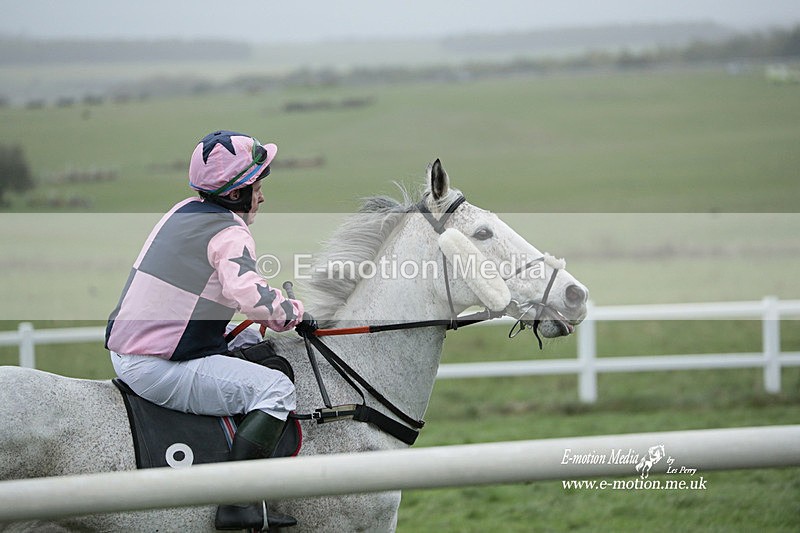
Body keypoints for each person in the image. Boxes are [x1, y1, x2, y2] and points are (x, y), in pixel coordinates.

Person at [106, 130, 314, 531]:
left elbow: (203, 295)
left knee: (252, 340)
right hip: (154, 364)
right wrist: (295, 313)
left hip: (136, 348)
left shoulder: (183, 210)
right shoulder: (230, 231)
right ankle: (237, 503)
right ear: (236, 195)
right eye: (257, 186)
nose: (262, 196)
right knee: (276, 390)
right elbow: (252, 297)